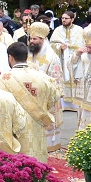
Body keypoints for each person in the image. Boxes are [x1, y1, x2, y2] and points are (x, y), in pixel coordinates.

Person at [0, 42, 59, 163]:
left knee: (14, 165)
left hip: (12, 128)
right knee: (35, 158)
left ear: (11, 57)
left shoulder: (1, 80)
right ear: (26, 56)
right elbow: (54, 98)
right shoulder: (44, 78)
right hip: (36, 125)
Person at [25, 24, 64, 152]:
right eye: (30, 38)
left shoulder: (52, 58)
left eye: (35, 39)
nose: (31, 41)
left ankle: (50, 146)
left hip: (46, 97)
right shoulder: (29, 55)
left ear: (42, 40)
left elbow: (56, 81)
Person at [50, 11, 84, 109]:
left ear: (72, 19)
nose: (63, 20)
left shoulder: (79, 30)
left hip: (76, 59)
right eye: (62, 18)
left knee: (74, 78)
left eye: (66, 18)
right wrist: (60, 47)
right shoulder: (57, 30)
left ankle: (75, 104)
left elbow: (83, 44)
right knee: (63, 78)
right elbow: (52, 44)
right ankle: (64, 105)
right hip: (62, 59)